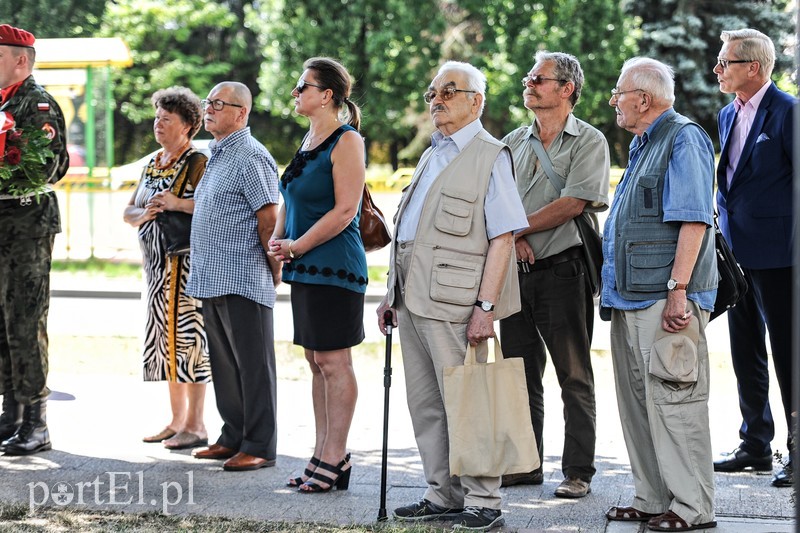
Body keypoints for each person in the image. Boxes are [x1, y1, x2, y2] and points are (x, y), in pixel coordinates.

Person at [377, 61, 527, 532]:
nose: (436, 100)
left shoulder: (490, 154)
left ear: (475, 101)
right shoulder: (432, 153)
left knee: (468, 401)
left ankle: (485, 501)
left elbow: (503, 238)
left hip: (457, 303)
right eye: (432, 92)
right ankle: (442, 494)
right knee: (425, 403)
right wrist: (389, 294)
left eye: (448, 91)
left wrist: (485, 308)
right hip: (412, 298)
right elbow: (409, 232)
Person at [602, 58, 718, 531]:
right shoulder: (641, 143)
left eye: (618, 93)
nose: (614, 102)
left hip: (665, 298)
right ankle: (651, 497)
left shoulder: (684, 136)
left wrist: (679, 290)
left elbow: (694, 219)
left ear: (643, 99)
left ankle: (693, 508)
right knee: (638, 404)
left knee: (676, 402)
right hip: (630, 295)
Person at [498, 51, 608, 498]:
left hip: (565, 272)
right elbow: (497, 201)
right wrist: (514, 239)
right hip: (516, 271)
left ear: (567, 89)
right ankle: (525, 465)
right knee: (520, 374)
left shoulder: (589, 141)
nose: (529, 83)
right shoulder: (512, 141)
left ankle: (578, 471)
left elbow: (573, 203)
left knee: (573, 375)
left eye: (538, 79)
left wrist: (516, 228)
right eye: (528, 77)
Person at [267, 57, 365, 493]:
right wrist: (278, 235)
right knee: (314, 362)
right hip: (302, 265)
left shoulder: (346, 141)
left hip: (335, 264)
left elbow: (346, 210)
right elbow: (291, 197)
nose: (295, 92)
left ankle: (336, 456)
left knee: (333, 361)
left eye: (302, 86)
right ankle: (323, 453)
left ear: (327, 95)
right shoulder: (310, 138)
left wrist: (298, 244)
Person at [711, 28, 795, 489]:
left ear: (754, 68)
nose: (717, 70)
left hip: (782, 257)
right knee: (745, 351)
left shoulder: (789, 113)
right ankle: (755, 444)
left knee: (789, 356)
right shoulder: (727, 114)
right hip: (736, 256)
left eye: (725, 63)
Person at [186, 81, 282, 472]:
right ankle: (233, 437)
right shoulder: (217, 153)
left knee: (253, 366)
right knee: (224, 364)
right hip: (212, 277)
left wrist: (273, 271)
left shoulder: (250, 155)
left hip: (244, 277)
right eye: (208, 102)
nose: (208, 109)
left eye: (218, 104)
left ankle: (260, 445)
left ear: (241, 113)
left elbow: (269, 219)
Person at [122, 87, 210, 450]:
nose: (158, 124)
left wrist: (176, 202)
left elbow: (208, 208)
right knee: (166, 345)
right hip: (157, 270)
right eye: (157, 117)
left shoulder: (196, 162)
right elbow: (128, 212)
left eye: (167, 119)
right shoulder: (151, 162)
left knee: (189, 343)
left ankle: (196, 424)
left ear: (188, 125)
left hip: (186, 266)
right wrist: (146, 214)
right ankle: (175, 421)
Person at [0, 24, 69, 455]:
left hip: (26, 225)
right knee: (2, 325)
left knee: (25, 321)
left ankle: (36, 421)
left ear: (20, 59)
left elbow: (45, 168)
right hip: (3, 223)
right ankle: (11, 414)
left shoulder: (36, 104)